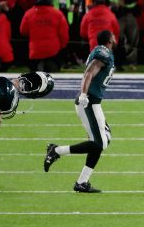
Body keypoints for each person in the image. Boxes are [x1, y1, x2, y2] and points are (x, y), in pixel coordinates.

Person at [43, 30, 116, 193]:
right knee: (100, 143)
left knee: (103, 140)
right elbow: (89, 72)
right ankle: (56, 151)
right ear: (110, 39)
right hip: (88, 102)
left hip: (93, 103)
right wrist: (83, 93)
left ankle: (82, 182)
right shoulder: (103, 52)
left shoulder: (106, 53)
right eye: (113, 35)